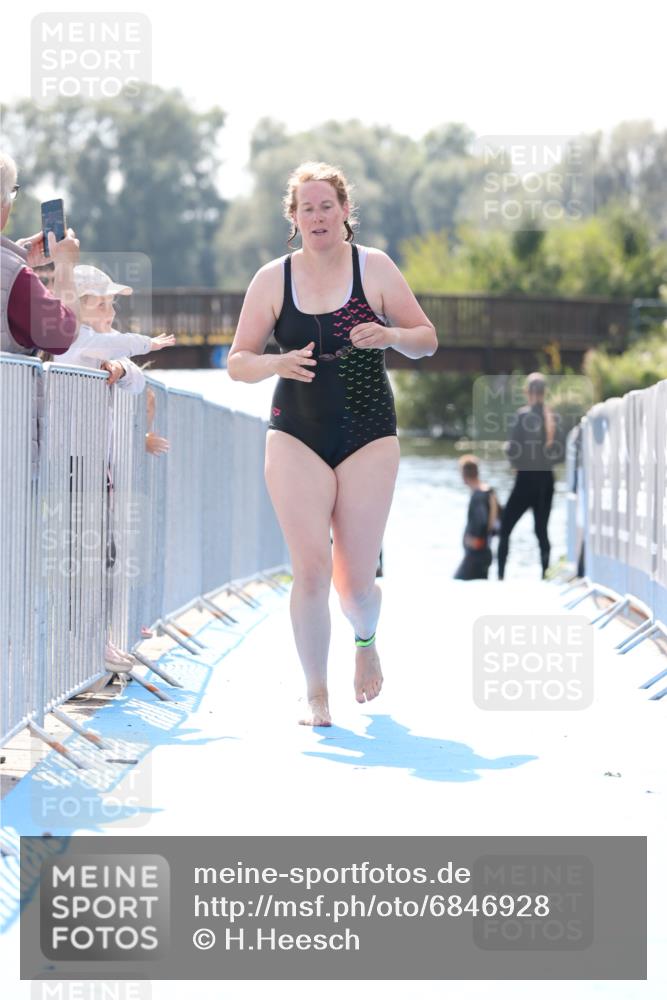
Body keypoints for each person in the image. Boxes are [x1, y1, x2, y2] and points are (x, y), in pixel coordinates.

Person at [228, 161, 437, 726]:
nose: (317, 216)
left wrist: (390, 334)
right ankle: (316, 693)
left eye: (327, 206)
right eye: (307, 208)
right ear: (293, 218)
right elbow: (238, 362)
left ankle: (365, 640)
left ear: (345, 211)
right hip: (296, 430)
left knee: (355, 584)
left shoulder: (375, 268)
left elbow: (426, 340)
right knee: (312, 570)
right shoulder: (273, 279)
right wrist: (275, 362)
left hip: (368, 432)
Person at [0, 151, 80, 355]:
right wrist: (65, 266)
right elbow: (62, 335)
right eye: (11, 192)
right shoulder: (15, 277)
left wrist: (17, 253)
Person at [497, 372, 559, 580]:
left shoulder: (523, 416)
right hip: (546, 481)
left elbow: (512, 449)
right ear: (544, 392)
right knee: (541, 531)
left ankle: (500, 577)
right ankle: (545, 575)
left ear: (527, 392)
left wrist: (515, 464)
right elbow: (559, 453)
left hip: (525, 481)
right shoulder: (553, 418)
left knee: (505, 528)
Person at [454, 454, 499, 580]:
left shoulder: (479, 495)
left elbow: (482, 522)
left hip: (476, 555)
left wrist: (475, 540)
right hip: (483, 553)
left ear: (464, 475)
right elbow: (498, 522)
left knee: (458, 581)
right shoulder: (489, 491)